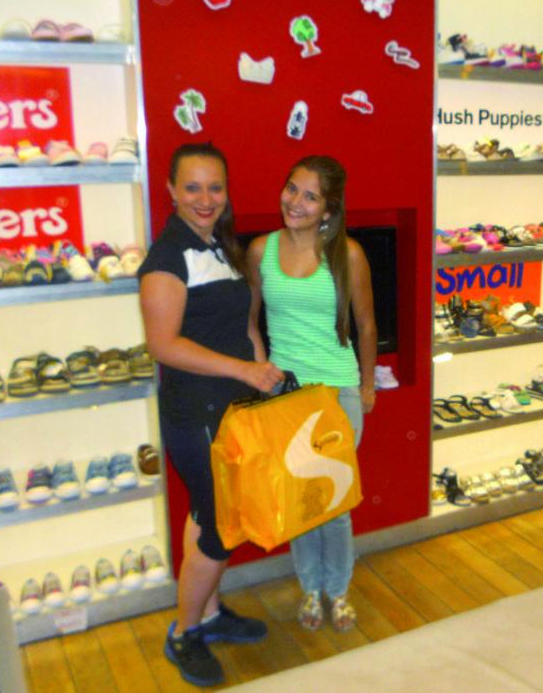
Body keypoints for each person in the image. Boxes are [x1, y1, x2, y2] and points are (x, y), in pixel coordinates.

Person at [138, 142, 284, 687]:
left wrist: (260, 373)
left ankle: (212, 614)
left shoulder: (219, 245)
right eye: (193, 187)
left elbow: (243, 323)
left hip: (233, 407)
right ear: (171, 190)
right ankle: (184, 633)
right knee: (220, 527)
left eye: (215, 187)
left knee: (206, 515)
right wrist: (243, 371)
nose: (206, 199)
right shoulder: (167, 258)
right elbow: (163, 344)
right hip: (195, 412)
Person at [247, 155, 377, 633]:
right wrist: (263, 367)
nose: (295, 202)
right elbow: (249, 319)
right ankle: (310, 588)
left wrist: (367, 386)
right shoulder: (261, 250)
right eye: (292, 189)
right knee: (302, 501)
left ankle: (337, 591)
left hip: (338, 393)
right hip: (288, 396)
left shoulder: (349, 255)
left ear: (328, 208)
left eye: (310, 196)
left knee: (335, 504)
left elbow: (366, 325)